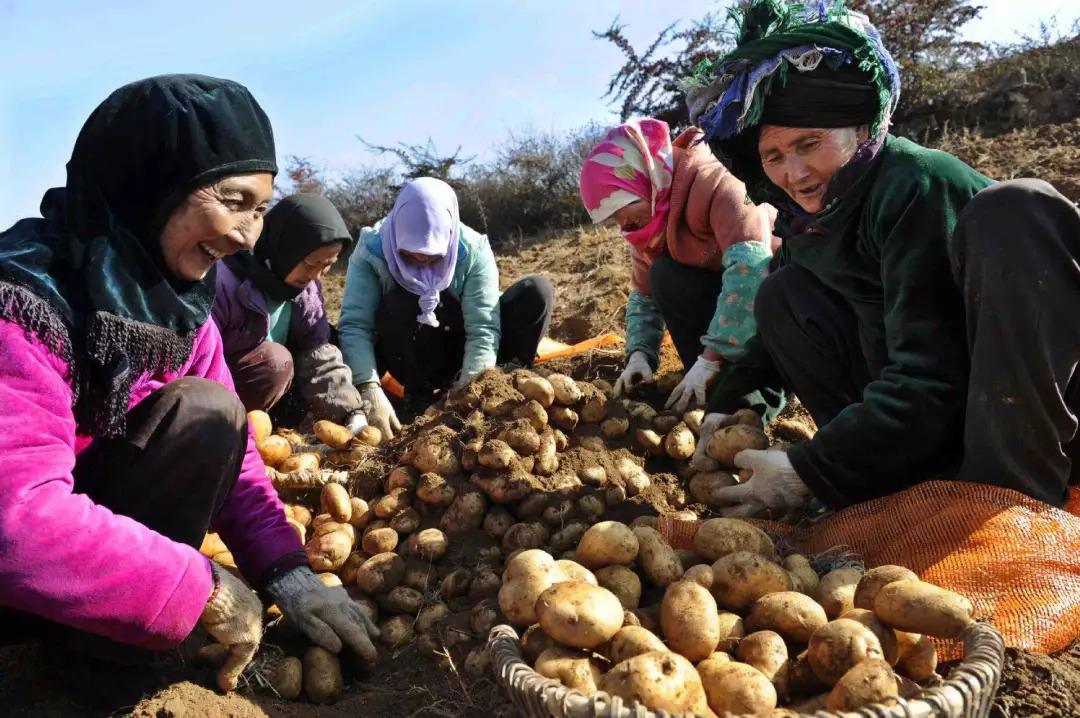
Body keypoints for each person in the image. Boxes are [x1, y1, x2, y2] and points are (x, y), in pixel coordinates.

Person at [0, 75, 378, 713]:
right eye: (233, 200)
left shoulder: (183, 309)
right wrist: (194, 587)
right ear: (151, 184)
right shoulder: (24, 299)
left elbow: (237, 463)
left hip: (83, 579)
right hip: (17, 583)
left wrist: (290, 572)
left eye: (260, 209)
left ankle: (96, 660)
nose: (247, 235)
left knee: (209, 414)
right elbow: (16, 520)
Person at [682, 0, 1080, 516]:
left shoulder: (913, 182)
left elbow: (934, 370)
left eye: (810, 143)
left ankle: (1004, 501)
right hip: (938, 419)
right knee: (781, 295)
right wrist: (734, 403)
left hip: (1037, 420)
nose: (795, 173)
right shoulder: (812, 218)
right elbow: (770, 347)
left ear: (861, 129)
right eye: (774, 157)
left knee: (1015, 208)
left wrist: (815, 467)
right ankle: (901, 487)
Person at [578, 118, 778, 414]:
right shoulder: (647, 228)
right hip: (724, 301)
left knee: (740, 403)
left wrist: (713, 355)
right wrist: (639, 355)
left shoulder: (717, 181)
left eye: (622, 209)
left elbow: (750, 271)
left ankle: (755, 396)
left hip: (769, 293)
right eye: (613, 218)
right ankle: (713, 387)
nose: (623, 225)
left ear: (645, 180)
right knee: (662, 274)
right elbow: (644, 296)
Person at [338, 177, 554, 438]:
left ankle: (506, 387)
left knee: (536, 291)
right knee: (405, 293)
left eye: (432, 255)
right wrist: (368, 387)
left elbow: (483, 327)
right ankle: (416, 399)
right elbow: (355, 325)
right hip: (407, 351)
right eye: (410, 254)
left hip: (460, 345)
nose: (420, 259)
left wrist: (471, 391)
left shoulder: (472, 249)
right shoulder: (373, 249)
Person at [214, 192, 367, 432]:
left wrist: (350, 411)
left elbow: (317, 357)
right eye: (309, 264)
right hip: (218, 390)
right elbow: (200, 363)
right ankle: (230, 433)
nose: (316, 276)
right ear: (284, 247)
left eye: (326, 265)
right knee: (275, 361)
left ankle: (276, 430)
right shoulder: (224, 281)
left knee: (326, 341)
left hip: (268, 392)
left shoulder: (306, 291)